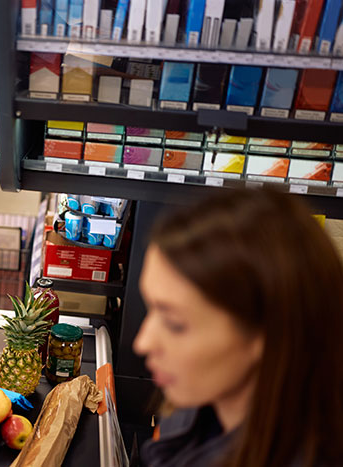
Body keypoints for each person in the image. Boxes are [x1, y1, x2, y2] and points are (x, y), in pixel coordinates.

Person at [134, 188, 343, 466]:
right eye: (150, 309)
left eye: (175, 324)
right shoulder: (200, 410)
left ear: (268, 333)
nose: (142, 343)